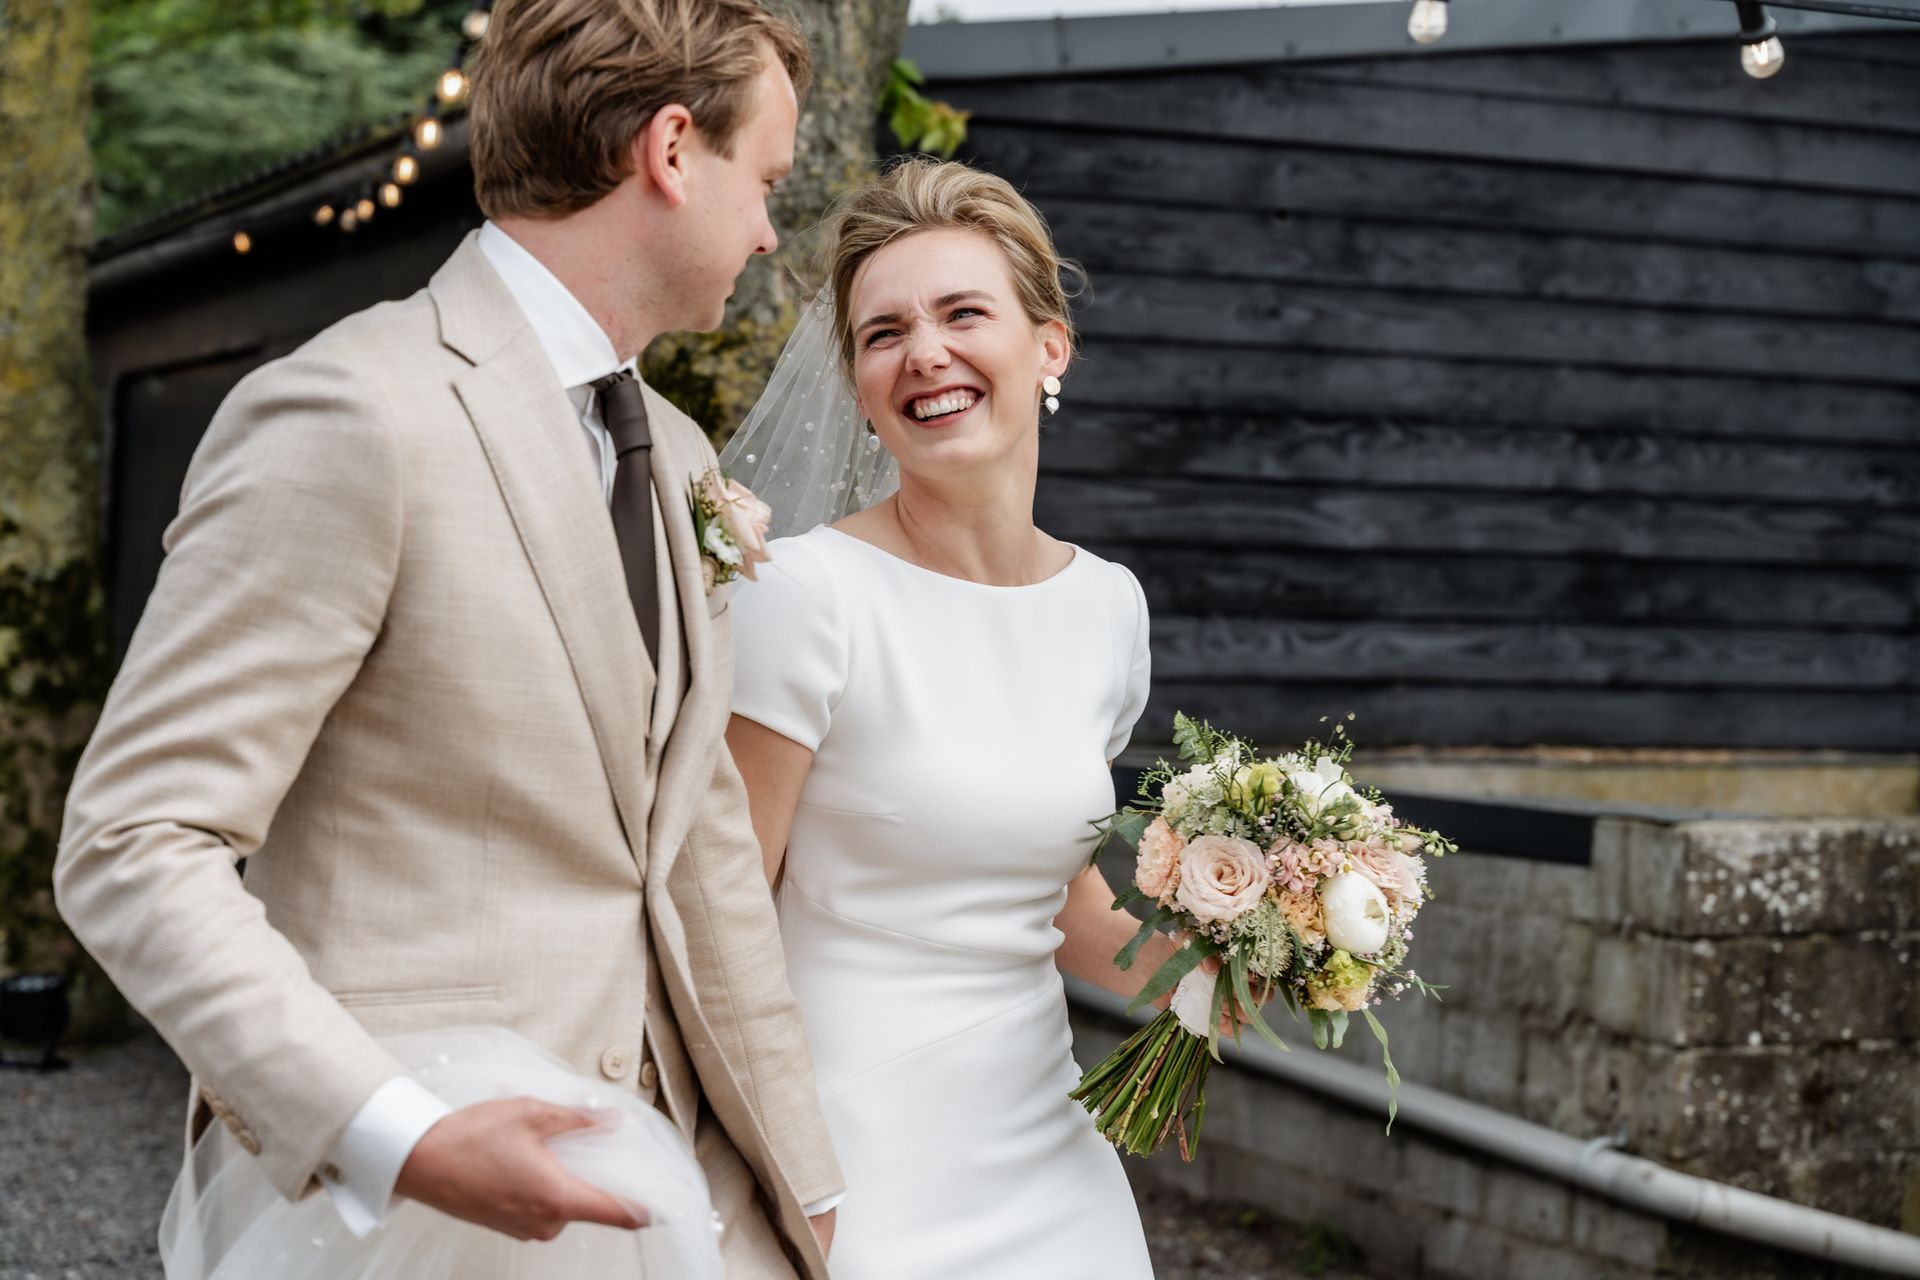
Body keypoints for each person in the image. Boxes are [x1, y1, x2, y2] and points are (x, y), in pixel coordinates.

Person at [53, 1, 843, 1274]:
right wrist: (397, 1133)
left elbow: (696, 861)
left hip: (670, 1195)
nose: (766, 229)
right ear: (673, 149)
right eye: (767, 182)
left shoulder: (682, 460)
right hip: (409, 1217)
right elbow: (134, 838)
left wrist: (806, 1188)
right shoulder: (354, 410)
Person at [721, 157, 1170, 1278]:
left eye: (963, 312)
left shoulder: (1107, 606)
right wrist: (784, 1171)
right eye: (884, 332)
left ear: (1048, 344)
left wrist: (1246, 957)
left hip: (1046, 1153)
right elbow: (717, 910)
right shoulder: (805, 594)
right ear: (863, 382)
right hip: (851, 1158)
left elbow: (1055, 895)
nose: (924, 351)